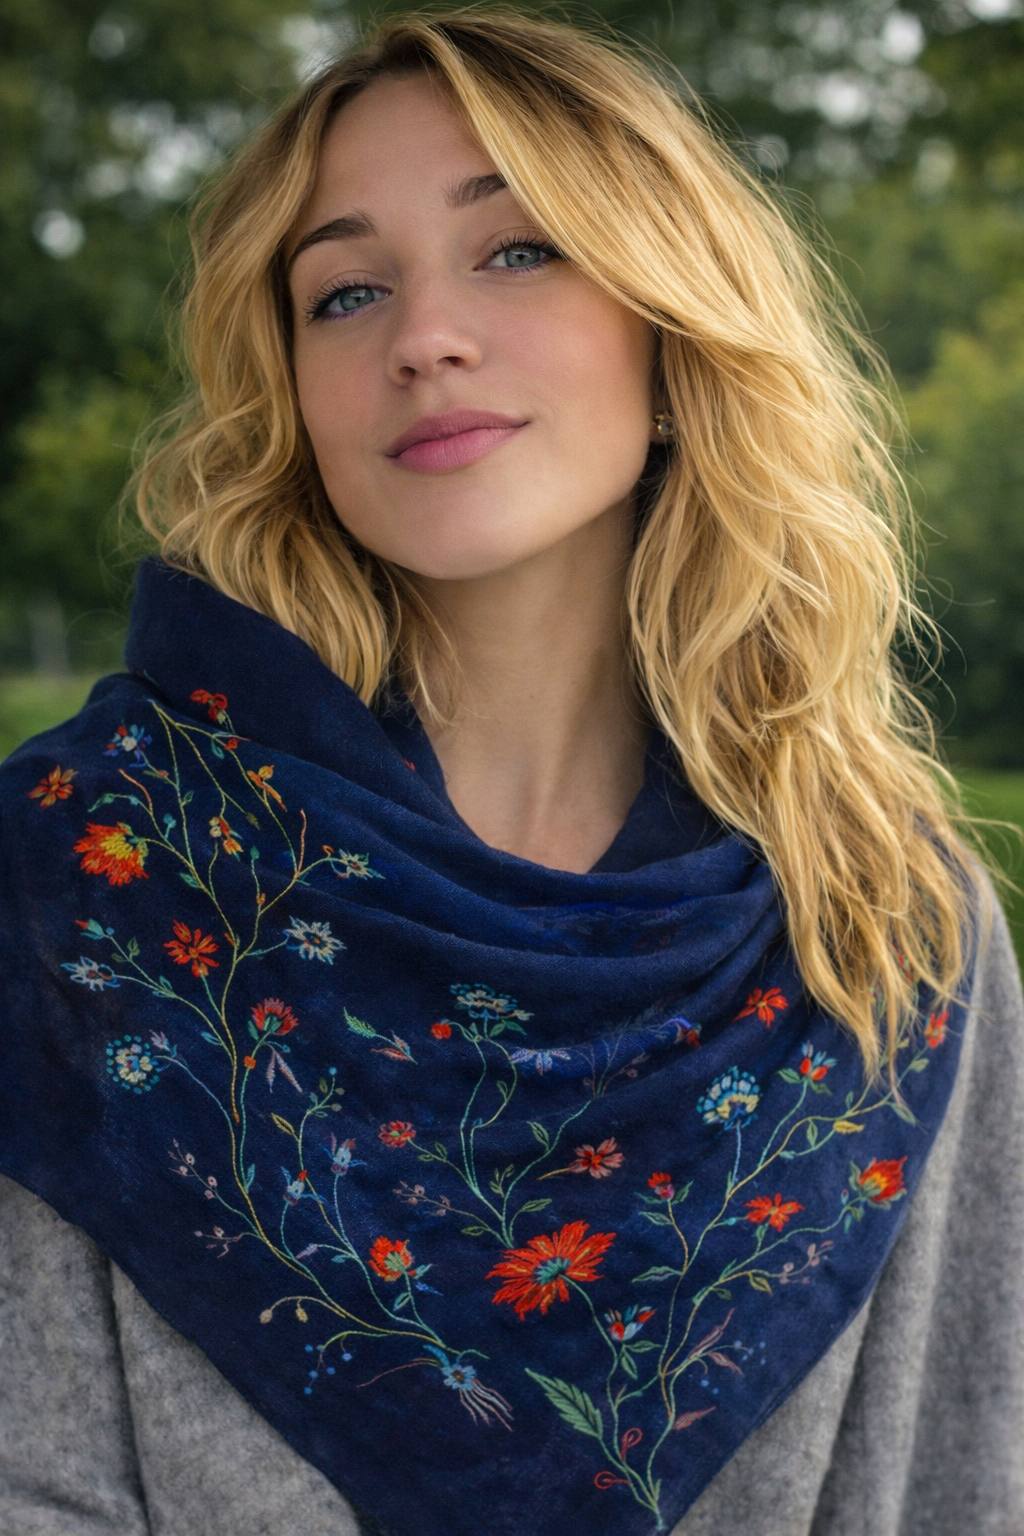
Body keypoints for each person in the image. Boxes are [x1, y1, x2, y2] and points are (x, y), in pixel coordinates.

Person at [1, 7, 1021, 1536]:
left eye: (518, 250)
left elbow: (968, 1478)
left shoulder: (885, 922)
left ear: (673, 337)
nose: (423, 336)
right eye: (346, 291)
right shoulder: (85, 874)